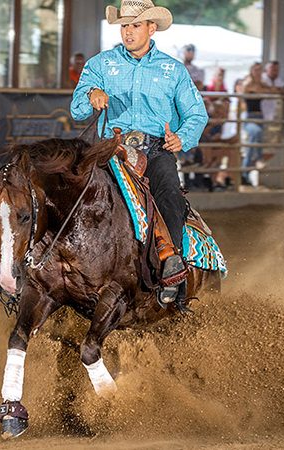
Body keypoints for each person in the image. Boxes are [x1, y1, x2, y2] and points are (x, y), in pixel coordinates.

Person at [71, 0, 207, 305]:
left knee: (170, 197)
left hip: (156, 149)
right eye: (124, 26)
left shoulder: (173, 70)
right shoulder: (101, 65)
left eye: (134, 25)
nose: (128, 32)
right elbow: (77, 108)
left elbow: (197, 114)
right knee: (74, 191)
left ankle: (173, 269)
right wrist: (91, 94)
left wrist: (181, 138)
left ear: (151, 28)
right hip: (110, 149)